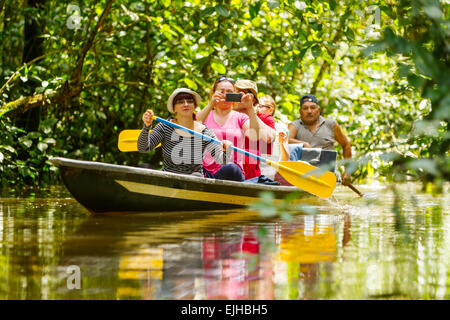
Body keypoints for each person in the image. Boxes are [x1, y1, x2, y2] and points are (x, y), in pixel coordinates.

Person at [138, 87, 244, 181]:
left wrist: (227, 150)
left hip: (194, 179)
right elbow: (143, 148)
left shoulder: (204, 131)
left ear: (194, 106)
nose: (185, 104)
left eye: (189, 101)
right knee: (142, 168)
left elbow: (222, 160)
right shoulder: (165, 126)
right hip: (169, 176)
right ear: (174, 108)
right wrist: (146, 127)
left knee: (231, 168)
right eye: (180, 102)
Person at [196, 77, 273, 180]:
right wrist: (211, 104)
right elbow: (192, 128)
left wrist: (250, 108)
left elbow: (255, 136)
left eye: (229, 92)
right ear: (213, 93)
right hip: (205, 171)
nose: (225, 95)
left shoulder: (240, 117)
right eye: (221, 92)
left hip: (231, 172)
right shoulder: (205, 114)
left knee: (230, 168)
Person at [288, 94, 352, 185]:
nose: (309, 111)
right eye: (305, 108)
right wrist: (304, 144)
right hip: (302, 174)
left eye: (313, 108)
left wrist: (347, 172)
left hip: (328, 174)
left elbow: (346, 145)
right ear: (300, 111)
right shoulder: (294, 125)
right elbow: (285, 140)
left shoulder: (331, 124)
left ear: (318, 110)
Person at [233, 80, 276, 180]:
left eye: (242, 93)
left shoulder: (264, 118)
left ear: (253, 99)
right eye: (235, 93)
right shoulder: (227, 115)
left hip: (253, 175)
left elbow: (269, 137)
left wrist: (251, 110)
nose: (238, 97)